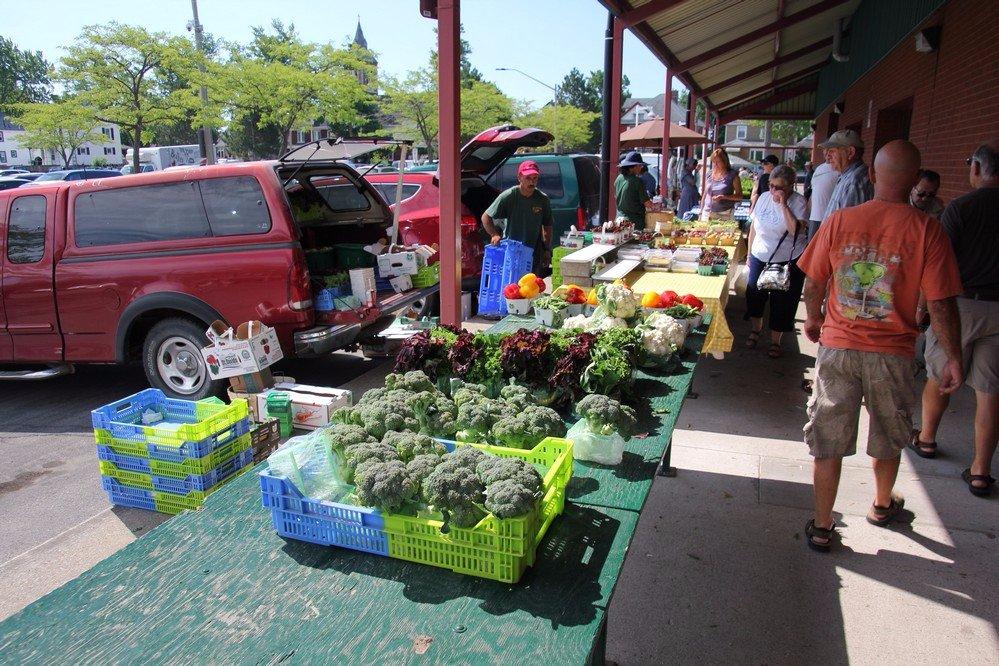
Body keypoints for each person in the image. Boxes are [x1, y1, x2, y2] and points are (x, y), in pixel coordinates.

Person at [796, 140, 964, 552]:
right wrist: (953, 356)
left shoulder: (839, 220)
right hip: (893, 352)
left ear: (872, 175)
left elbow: (814, 281)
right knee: (890, 433)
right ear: (914, 182)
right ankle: (881, 503)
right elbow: (940, 303)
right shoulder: (927, 230)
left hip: (839, 348)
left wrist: (815, 318)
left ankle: (822, 525)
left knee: (828, 437)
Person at [913, 140, 999, 497]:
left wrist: (922, 308)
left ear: (976, 168)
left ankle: (928, 438)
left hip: (959, 306)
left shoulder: (961, 208)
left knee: (941, 372)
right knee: (991, 390)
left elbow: (936, 267)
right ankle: (981, 469)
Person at [744, 165, 809, 358]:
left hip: (787, 261)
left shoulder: (799, 203)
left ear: (790, 187)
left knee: (782, 303)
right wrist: (749, 254)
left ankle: (775, 340)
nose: (773, 190)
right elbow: (754, 229)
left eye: (778, 187)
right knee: (754, 296)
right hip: (760, 256)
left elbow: (794, 230)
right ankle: (756, 330)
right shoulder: (763, 198)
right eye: (771, 185)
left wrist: (783, 204)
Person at [482, 159, 554, 276]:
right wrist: (494, 234)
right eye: (528, 178)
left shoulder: (542, 199)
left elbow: (547, 225)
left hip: (533, 252)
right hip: (511, 250)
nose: (532, 182)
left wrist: (546, 250)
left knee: (530, 287)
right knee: (511, 285)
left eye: (535, 178)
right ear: (519, 177)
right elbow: (485, 217)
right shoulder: (509, 195)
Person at [821, 129, 873, 216]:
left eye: (832, 151)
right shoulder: (848, 176)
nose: (828, 156)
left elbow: (847, 227)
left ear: (850, 152)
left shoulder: (854, 182)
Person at [699, 148, 742, 219]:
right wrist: (701, 211)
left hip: (724, 213)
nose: (715, 164)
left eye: (718, 161)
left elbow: (739, 196)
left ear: (724, 161)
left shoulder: (732, 175)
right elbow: (705, 194)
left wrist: (723, 197)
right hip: (707, 212)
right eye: (713, 161)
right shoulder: (709, 173)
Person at [614, 151, 652, 226]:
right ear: (633, 167)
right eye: (640, 166)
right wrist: (656, 206)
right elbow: (647, 203)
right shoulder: (637, 181)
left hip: (619, 220)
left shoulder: (618, 178)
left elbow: (616, 196)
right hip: (634, 222)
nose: (641, 168)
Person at [807, 158, 839, 241]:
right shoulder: (819, 168)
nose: (827, 153)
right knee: (811, 248)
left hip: (829, 219)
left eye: (831, 150)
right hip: (814, 217)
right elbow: (813, 193)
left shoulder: (839, 169)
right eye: (825, 149)